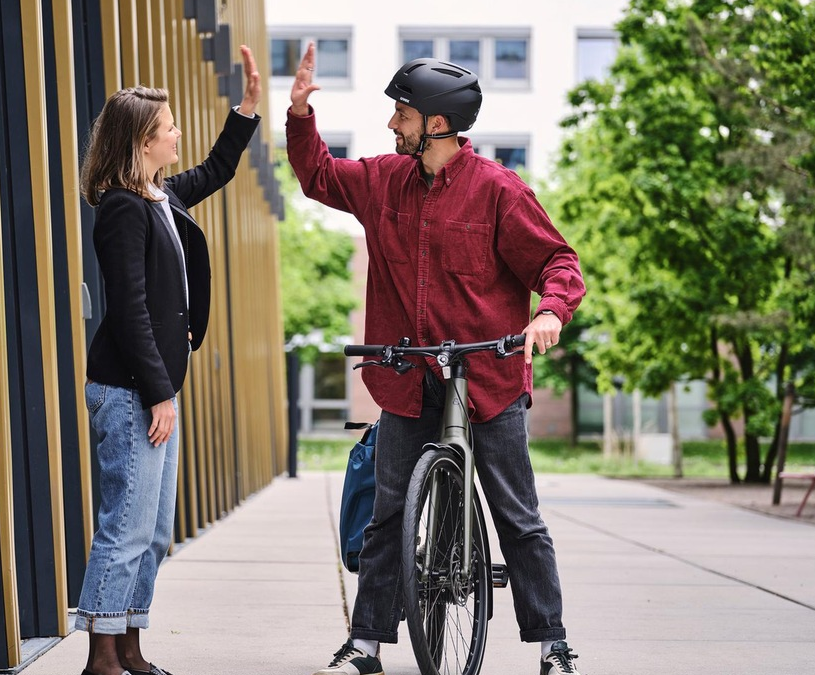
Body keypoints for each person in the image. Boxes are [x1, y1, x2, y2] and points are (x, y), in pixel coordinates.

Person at [286, 44, 587, 675]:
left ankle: (552, 646)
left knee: (518, 518)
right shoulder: (382, 181)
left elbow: (557, 262)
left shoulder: (499, 191)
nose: (391, 124)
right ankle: (364, 645)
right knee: (389, 517)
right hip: (407, 376)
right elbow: (319, 177)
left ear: (437, 124)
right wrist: (301, 116)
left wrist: (550, 313)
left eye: (402, 115)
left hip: (489, 379)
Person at [76, 45, 262, 675]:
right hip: (131, 390)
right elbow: (128, 310)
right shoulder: (122, 209)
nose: (178, 134)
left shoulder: (159, 196)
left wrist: (247, 110)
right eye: (169, 127)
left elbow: (216, 169)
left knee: (153, 532)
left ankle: (130, 645)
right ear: (142, 141)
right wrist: (159, 393)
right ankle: (102, 656)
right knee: (125, 528)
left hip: (153, 388)